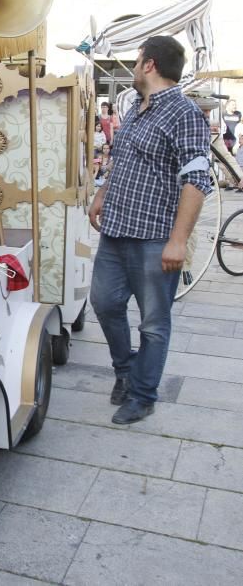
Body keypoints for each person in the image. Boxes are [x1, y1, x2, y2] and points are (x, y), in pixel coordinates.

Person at [89, 36, 211, 425]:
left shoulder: (183, 112)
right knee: (104, 304)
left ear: (150, 65)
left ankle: (143, 395)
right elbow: (124, 159)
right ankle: (125, 371)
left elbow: (197, 180)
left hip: (156, 237)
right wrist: (102, 194)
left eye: (138, 57)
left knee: (153, 322)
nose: (135, 64)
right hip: (116, 231)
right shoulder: (139, 109)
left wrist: (178, 241)